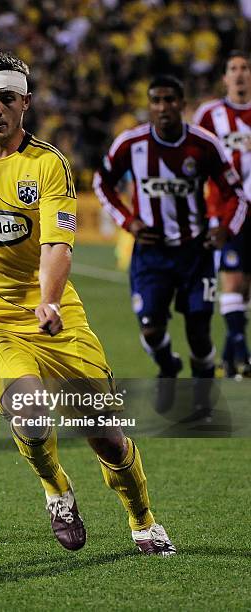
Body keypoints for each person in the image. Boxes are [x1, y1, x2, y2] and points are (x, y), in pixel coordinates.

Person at [0, 51, 176, 556]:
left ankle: (142, 518)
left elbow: (57, 244)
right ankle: (56, 488)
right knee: (31, 410)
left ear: (25, 103)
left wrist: (49, 299)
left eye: (6, 98)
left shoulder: (46, 164)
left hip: (52, 311)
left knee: (105, 435)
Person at [93, 74, 247, 419]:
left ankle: (203, 393)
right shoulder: (130, 143)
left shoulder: (204, 144)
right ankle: (168, 366)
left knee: (198, 329)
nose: (162, 107)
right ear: (150, 105)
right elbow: (101, 181)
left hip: (195, 252)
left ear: (182, 103)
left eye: (169, 100)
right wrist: (127, 220)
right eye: (156, 101)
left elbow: (234, 193)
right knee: (150, 328)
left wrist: (225, 228)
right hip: (151, 254)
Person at [193, 51, 251, 378]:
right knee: (232, 279)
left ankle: (230, 363)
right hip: (224, 211)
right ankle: (243, 356)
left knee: (244, 289)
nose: (240, 74)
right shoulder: (210, 114)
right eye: (234, 69)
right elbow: (193, 156)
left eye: (245, 68)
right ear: (225, 78)